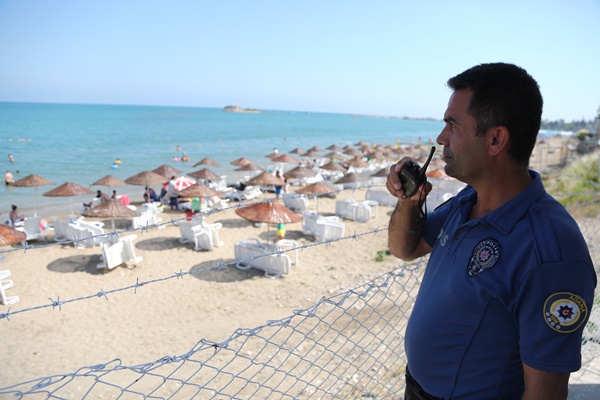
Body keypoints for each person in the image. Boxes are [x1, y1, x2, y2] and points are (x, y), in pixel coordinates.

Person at [386, 63, 596, 399]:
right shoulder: (468, 200)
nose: (441, 139)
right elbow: (405, 248)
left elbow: (546, 394)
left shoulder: (551, 253)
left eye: (453, 126)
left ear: (496, 139)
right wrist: (409, 201)